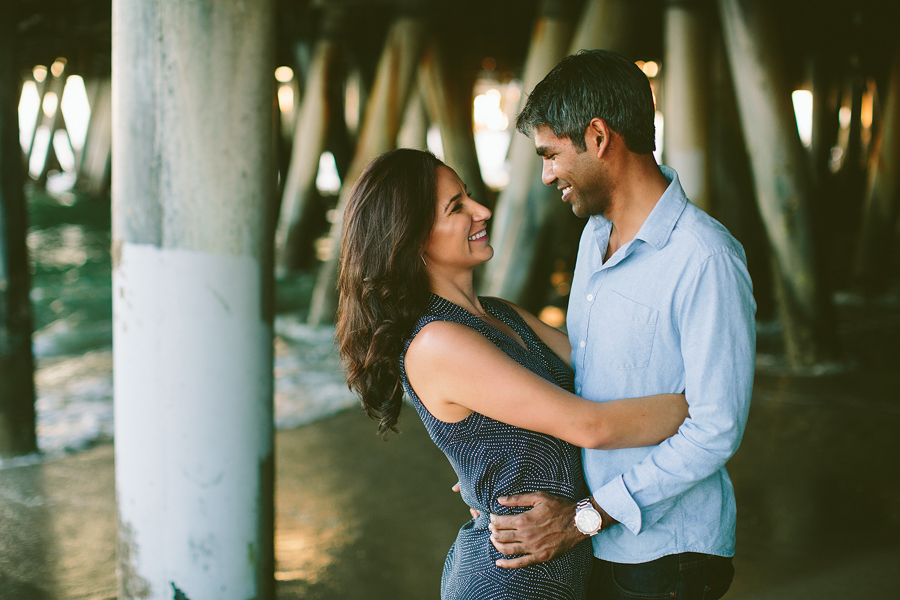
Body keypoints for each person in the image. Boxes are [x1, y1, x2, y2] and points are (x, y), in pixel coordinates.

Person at [336, 147, 691, 600]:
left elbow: (604, 366)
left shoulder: (502, 315)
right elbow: (591, 425)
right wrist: (703, 408)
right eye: (457, 207)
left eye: (469, 195)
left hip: (561, 566)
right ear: (412, 238)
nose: (483, 210)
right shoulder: (437, 342)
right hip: (508, 580)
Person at [486, 50, 756, 600]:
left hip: (669, 557)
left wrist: (584, 517)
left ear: (599, 136)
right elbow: (592, 362)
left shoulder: (704, 258)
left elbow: (715, 429)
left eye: (551, 154)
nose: (546, 175)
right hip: (603, 540)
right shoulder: (594, 236)